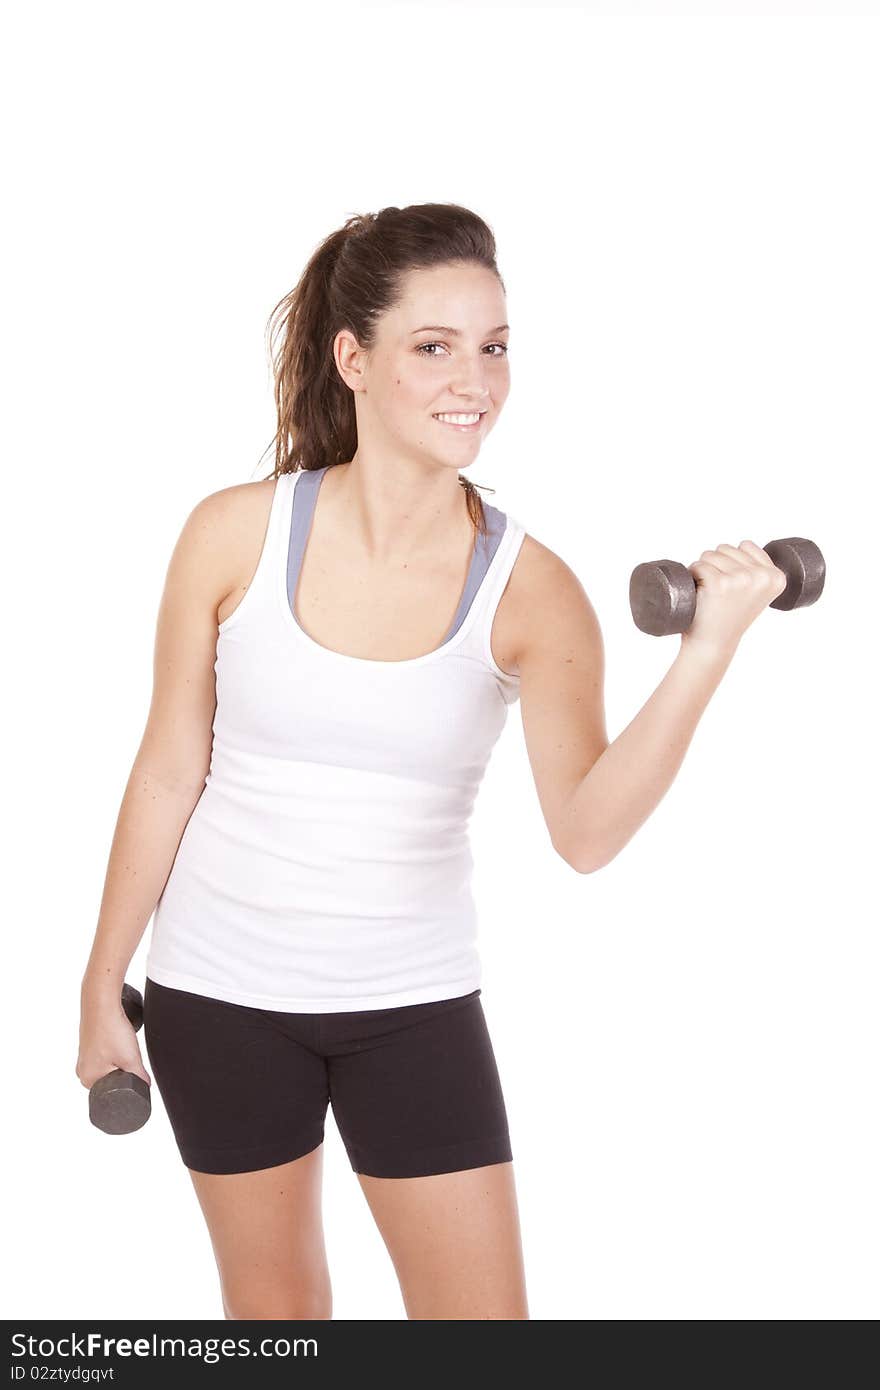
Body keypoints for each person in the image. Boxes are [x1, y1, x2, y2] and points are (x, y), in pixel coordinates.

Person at [76, 202, 787, 1321]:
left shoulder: (531, 589)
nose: (477, 379)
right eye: (434, 345)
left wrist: (705, 652)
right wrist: (97, 986)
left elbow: (587, 834)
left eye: (495, 345)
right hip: (217, 995)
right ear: (352, 358)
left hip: (410, 1006)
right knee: (277, 1322)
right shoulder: (232, 534)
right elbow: (167, 770)